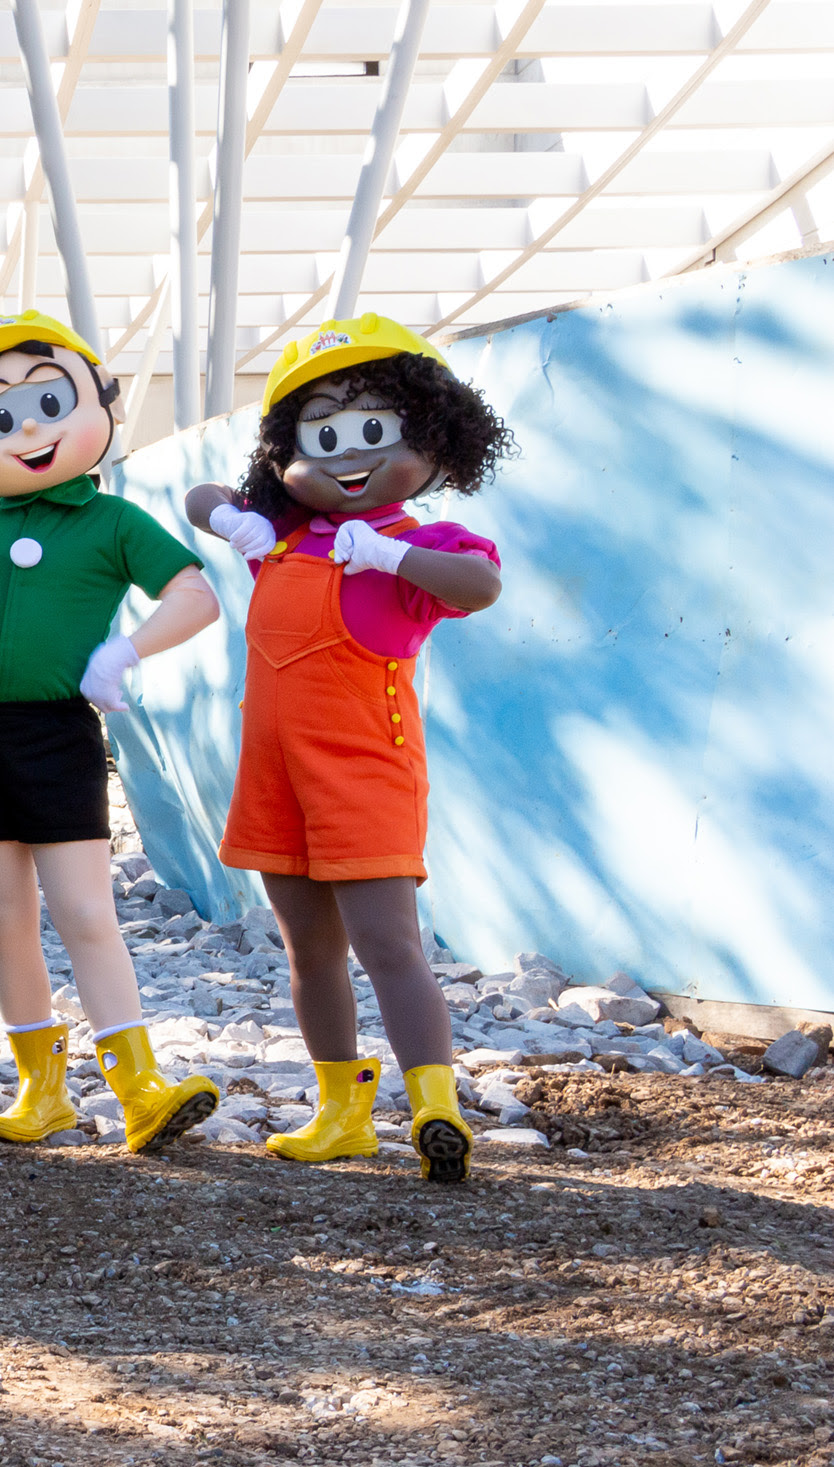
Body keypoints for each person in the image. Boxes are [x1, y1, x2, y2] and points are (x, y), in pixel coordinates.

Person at [183, 314, 512, 1185]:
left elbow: (480, 584)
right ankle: (342, 1109)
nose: (344, 457)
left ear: (434, 441)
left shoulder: (426, 541)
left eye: (373, 430)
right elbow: (199, 496)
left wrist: (393, 556)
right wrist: (234, 522)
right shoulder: (284, 540)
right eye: (319, 437)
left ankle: (435, 1103)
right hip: (276, 781)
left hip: (365, 773)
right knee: (309, 949)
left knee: (390, 944)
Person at [0, 312, 225, 1155]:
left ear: (100, 402)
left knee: (86, 911)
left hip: (59, 732)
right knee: (5, 918)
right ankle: (41, 1090)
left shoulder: (112, 521)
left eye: (50, 403)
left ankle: (139, 1087)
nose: (27, 428)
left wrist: (125, 650)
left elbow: (195, 595)